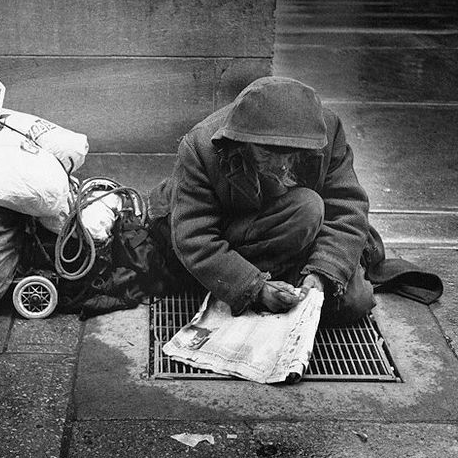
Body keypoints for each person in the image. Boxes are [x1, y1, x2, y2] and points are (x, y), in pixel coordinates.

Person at [147, 76, 379, 325]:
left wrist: (322, 274)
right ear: (242, 143)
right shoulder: (200, 146)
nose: (280, 166)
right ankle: (248, 282)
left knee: (355, 302)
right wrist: (255, 288)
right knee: (307, 209)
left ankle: (285, 275)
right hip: (231, 235)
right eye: (267, 154)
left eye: (291, 155)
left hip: (288, 230)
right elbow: (194, 238)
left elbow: (347, 209)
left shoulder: (327, 131)